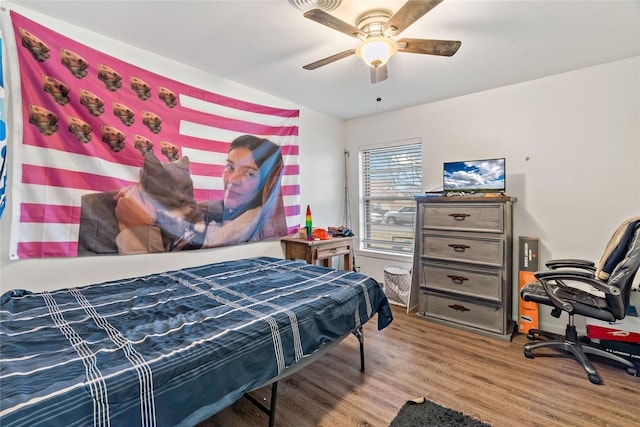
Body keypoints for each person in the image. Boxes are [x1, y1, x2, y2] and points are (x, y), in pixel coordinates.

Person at [200, 135, 288, 248]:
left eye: (249, 174)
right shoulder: (204, 211)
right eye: (230, 167)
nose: (232, 179)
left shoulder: (252, 228)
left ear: (265, 184)